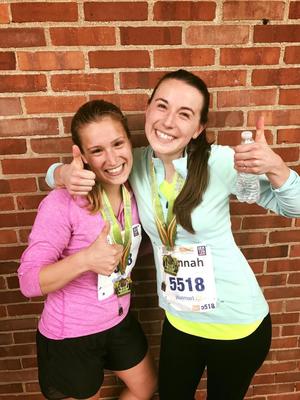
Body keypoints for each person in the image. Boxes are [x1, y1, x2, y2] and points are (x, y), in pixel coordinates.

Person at [46, 70, 300, 400]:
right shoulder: (130, 163)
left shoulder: (219, 162)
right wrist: (62, 173)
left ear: (198, 128)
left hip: (237, 323)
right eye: (162, 107)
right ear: (148, 109)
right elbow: (63, 173)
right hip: (180, 321)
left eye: (185, 114)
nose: (168, 122)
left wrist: (277, 168)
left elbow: (292, 206)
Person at [18, 100, 157, 400]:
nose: (112, 158)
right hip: (72, 333)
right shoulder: (62, 203)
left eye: (117, 143)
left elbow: (130, 246)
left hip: (119, 317)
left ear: (129, 143)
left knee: (145, 387)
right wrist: (85, 260)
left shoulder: (133, 191)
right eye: (97, 151)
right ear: (81, 157)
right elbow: (29, 282)